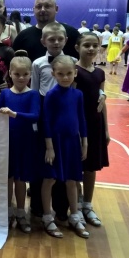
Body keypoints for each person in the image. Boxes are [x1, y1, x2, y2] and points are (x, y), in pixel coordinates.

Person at [41, 55, 89, 239]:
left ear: (75, 73)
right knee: (50, 179)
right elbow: (46, 121)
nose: (65, 77)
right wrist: (49, 147)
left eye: (69, 73)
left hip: (72, 143)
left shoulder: (78, 95)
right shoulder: (51, 95)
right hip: (56, 143)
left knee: (72, 180)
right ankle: (47, 216)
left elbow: (81, 118)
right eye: (60, 74)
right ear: (53, 74)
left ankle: (75, 216)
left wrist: (84, 142)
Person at [0, 51, 40, 234]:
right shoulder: (5, 94)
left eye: (25, 74)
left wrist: (14, 114)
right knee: (8, 179)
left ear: (30, 74)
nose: (21, 78)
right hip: (7, 141)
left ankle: (21, 213)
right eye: (17, 74)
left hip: (25, 142)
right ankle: (7, 212)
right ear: (10, 74)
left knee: (21, 180)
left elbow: (35, 116)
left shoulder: (33, 95)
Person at [74, 33, 109, 228]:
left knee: (91, 166)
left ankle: (88, 204)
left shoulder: (100, 73)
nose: (91, 49)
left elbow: (102, 101)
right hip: (79, 124)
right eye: (86, 45)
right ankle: (77, 205)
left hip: (96, 125)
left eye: (95, 45)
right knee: (76, 166)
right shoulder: (74, 72)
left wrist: (106, 129)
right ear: (77, 47)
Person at [12, 0, 80, 62]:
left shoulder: (72, 34)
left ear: (56, 9)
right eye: (39, 7)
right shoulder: (23, 37)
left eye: (47, 6)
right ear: (34, 10)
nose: (42, 10)